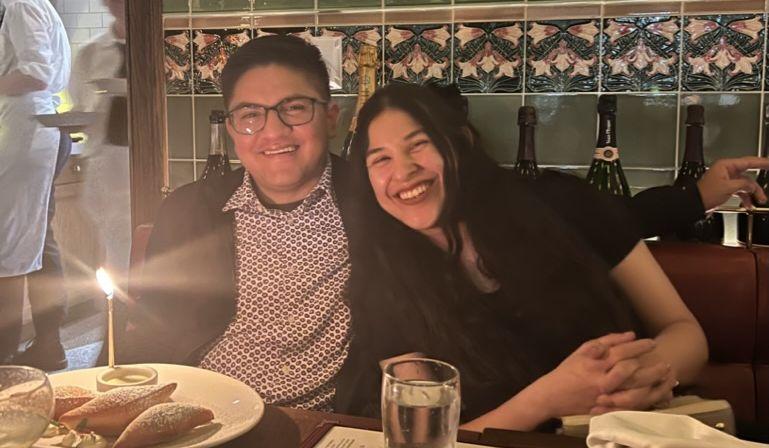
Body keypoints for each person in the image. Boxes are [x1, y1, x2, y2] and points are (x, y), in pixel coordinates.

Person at [335, 83, 708, 430]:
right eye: (380, 160)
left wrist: (635, 379)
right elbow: (426, 434)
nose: (403, 171)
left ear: (459, 143)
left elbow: (686, 333)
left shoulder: (564, 205)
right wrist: (546, 400)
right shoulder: (384, 282)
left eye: (418, 144)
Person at [119, 35, 351, 412]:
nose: (273, 132)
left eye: (295, 108)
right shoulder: (188, 211)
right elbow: (151, 328)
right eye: (250, 115)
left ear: (330, 118)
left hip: (320, 424)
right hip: (204, 415)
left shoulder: (374, 204)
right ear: (231, 129)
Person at [0, 0, 70, 364]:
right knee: (37, 238)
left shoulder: (20, 6)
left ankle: (4, 355)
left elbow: (35, 74)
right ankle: (48, 343)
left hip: (27, 129)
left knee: (10, 246)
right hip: (35, 128)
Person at [68, 0, 132, 291]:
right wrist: (70, 122)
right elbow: (82, 109)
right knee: (114, 251)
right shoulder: (90, 53)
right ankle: (115, 313)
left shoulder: (161, 48)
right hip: (106, 164)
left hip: (145, 160)